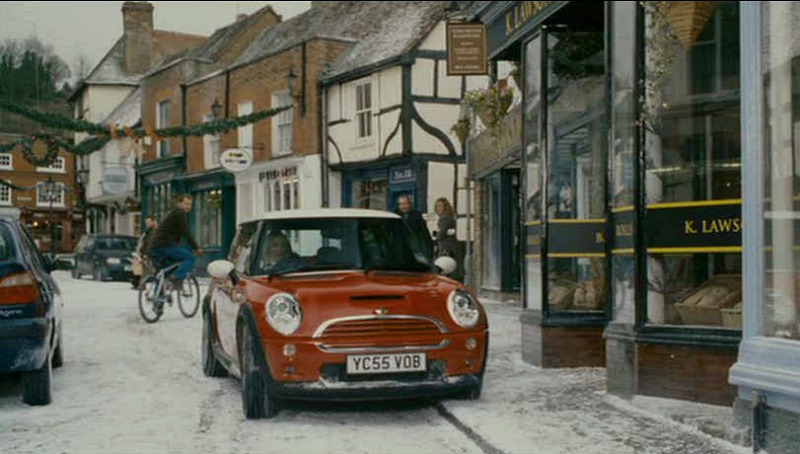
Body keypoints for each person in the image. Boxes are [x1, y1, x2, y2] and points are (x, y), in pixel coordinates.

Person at [148, 195, 202, 288]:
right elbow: (185, 232)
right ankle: (175, 277)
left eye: (190, 204)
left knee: (163, 272)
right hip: (166, 246)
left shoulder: (173, 213)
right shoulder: (179, 212)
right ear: (179, 203)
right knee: (190, 258)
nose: (188, 206)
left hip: (155, 247)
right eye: (186, 203)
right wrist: (196, 248)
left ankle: (158, 298)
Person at [394, 194, 433, 261]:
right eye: (401, 204)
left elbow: (424, 233)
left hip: (416, 249)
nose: (403, 206)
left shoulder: (417, 216)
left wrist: (429, 249)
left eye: (405, 204)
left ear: (409, 204)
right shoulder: (394, 217)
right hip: (401, 250)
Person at [131, 216, 157, 289]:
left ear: (153, 221)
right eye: (146, 222)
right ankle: (141, 286)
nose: (147, 224)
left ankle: (142, 285)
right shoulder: (148, 231)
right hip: (145, 253)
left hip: (150, 254)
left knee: (150, 270)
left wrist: (146, 253)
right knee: (145, 270)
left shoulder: (153, 231)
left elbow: (150, 243)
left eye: (149, 222)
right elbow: (145, 242)